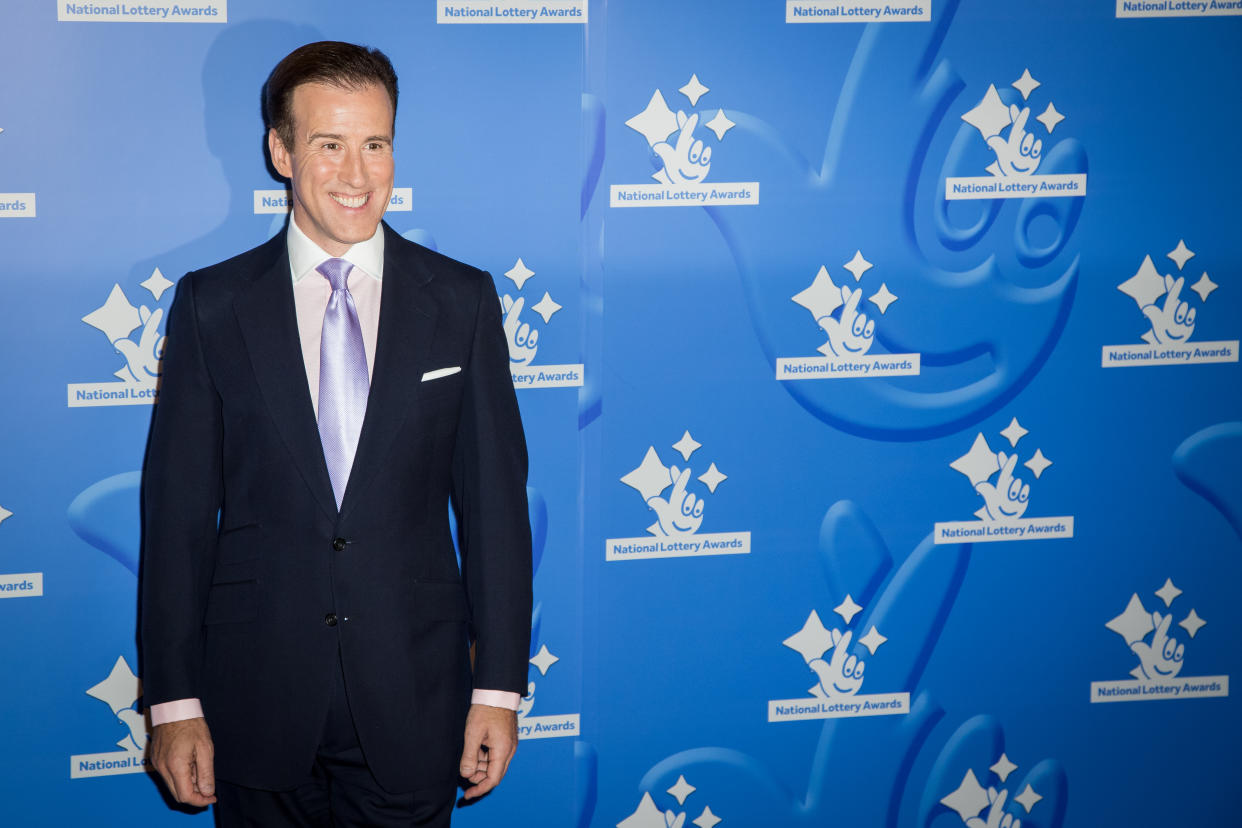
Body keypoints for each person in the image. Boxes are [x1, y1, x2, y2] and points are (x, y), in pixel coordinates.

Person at [140, 41, 532, 827]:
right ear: (281, 152)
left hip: (414, 704)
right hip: (254, 702)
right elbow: (177, 520)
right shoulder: (212, 306)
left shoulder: (461, 301)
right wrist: (173, 703)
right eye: (329, 145)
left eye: (376, 144)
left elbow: (494, 511)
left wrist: (498, 690)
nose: (358, 175)